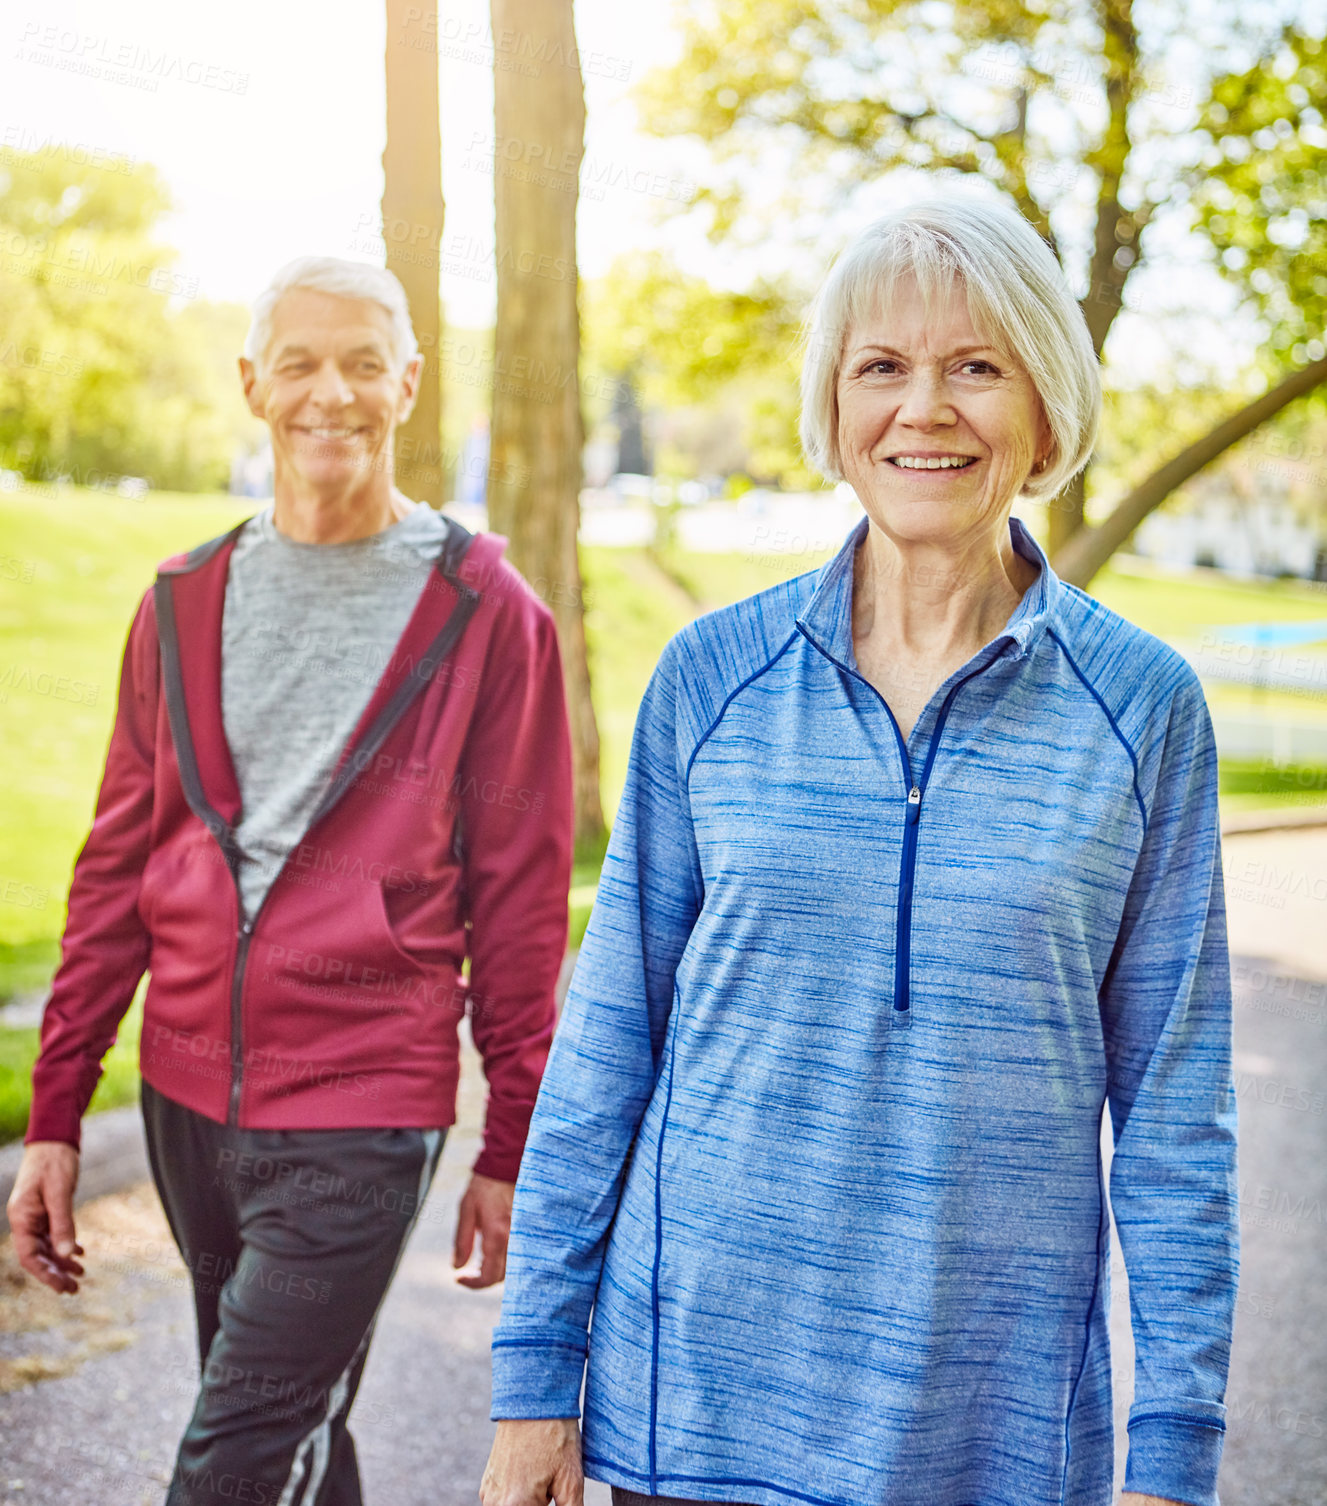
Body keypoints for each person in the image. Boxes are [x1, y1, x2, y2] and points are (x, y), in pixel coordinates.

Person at [480, 197, 1239, 1506]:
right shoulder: (709, 678)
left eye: (974, 366)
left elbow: (1174, 1121)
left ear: (1044, 407)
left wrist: (1168, 1456)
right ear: (832, 413)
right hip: (694, 1411)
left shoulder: (1143, 708)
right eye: (879, 367)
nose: (922, 408)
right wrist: (535, 1383)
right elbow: (604, 1047)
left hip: (985, 1435)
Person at [6, 256, 574, 1505]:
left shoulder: (485, 610)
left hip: (366, 1103)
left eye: (365, 362)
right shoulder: (181, 600)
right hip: (185, 1098)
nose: (334, 393)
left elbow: (522, 904)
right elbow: (114, 872)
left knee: (234, 1460)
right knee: (292, 1431)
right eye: (302, 364)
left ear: (408, 384)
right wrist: (56, 1113)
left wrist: (512, 1140)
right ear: (254, 384)